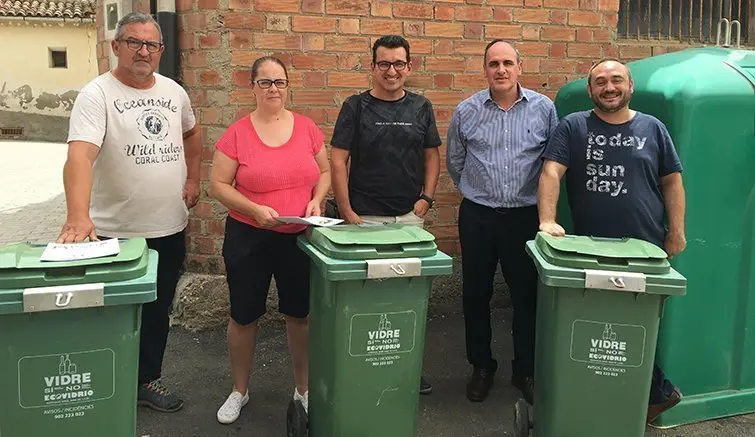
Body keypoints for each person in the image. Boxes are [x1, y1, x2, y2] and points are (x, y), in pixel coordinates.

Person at [58, 12, 201, 413]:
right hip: (113, 231)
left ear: (161, 50)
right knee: (109, 312)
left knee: (158, 311)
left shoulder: (175, 92)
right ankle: (102, 383)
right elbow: (80, 157)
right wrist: (77, 215)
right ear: (115, 46)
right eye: (133, 42)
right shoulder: (96, 95)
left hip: (168, 226)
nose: (143, 50)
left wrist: (194, 179)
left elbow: (192, 133)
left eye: (151, 44)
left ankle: (145, 380)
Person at [537, 58, 686, 423]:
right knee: (597, 326)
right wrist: (547, 220)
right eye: (600, 82)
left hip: (646, 248)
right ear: (590, 91)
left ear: (630, 86)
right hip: (590, 249)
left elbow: (672, 181)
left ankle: (653, 394)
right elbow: (552, 171)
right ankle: (610, 398)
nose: (609, 87)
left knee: (637, 327)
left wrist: (676, 230)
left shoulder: (653, 128)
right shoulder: (573, 126)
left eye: (616, 80)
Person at [209, 55, 331, 425]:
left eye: (279, 82)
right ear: (253, 87)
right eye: (265, 82)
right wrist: (253, 208)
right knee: (244, 316)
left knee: (300, 315)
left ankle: (304, 389)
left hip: (298, 237)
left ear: (287, 86)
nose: (273, 88)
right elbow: (217, 185)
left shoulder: (308, 128)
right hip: (250, 236)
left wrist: (316, 199)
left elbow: (324, 171)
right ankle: (239, 390)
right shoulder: (236, 134)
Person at [446, 39, 558, 404]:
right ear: (485, 69)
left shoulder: (544, 109)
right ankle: (481, 366)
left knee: (526, 296)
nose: (501, 70)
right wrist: (478, 191)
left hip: (525, 217)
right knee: (475, 294)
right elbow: (455, 161)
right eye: (493, 63)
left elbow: (550, 164)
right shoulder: (467, 110)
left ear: (519, 68)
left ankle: (524, 369)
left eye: (508, 62)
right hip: (478, 216)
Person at [329, 34, 442, 395]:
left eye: (398, 64)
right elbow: (337, 158)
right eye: (384, 64)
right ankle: (363, 364)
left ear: (409, 67)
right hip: (365, 219)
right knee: (367, 298)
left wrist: (426, 199)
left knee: (407, 297)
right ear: (373, 66)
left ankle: (406, 366)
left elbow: (431, 156)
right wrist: (346, 209)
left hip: (409, 220)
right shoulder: (355, 107)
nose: (391, 71)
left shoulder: (421, 107)